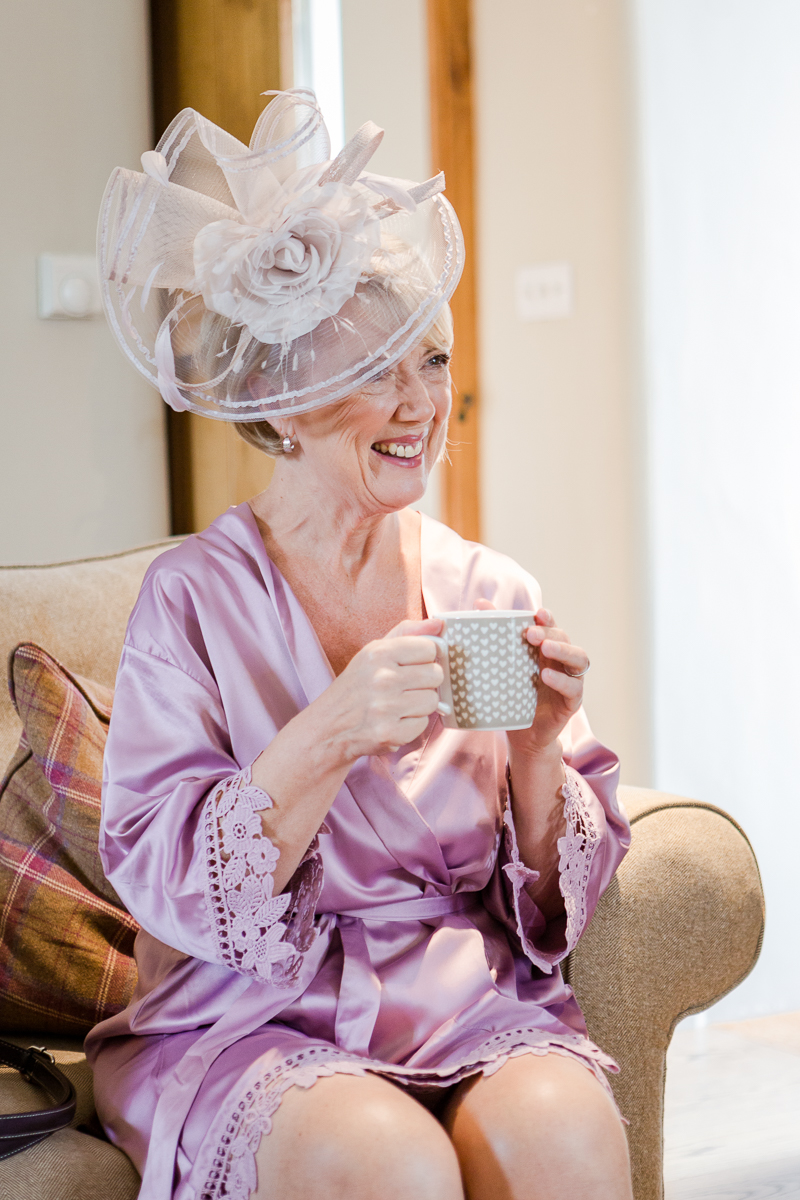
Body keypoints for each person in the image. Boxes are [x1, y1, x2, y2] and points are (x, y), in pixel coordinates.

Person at [86, 88, 634, 1200]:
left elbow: (537, 909)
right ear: (279, 398)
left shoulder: (489, 586)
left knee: (567, 1138)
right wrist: (331, 729)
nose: (419, 401)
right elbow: (164, 881)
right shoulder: (190, 599)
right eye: (372, 367)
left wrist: (538, 746)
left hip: (461, 995)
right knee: (387, 1166)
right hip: (246, 1010)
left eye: (429, 360)